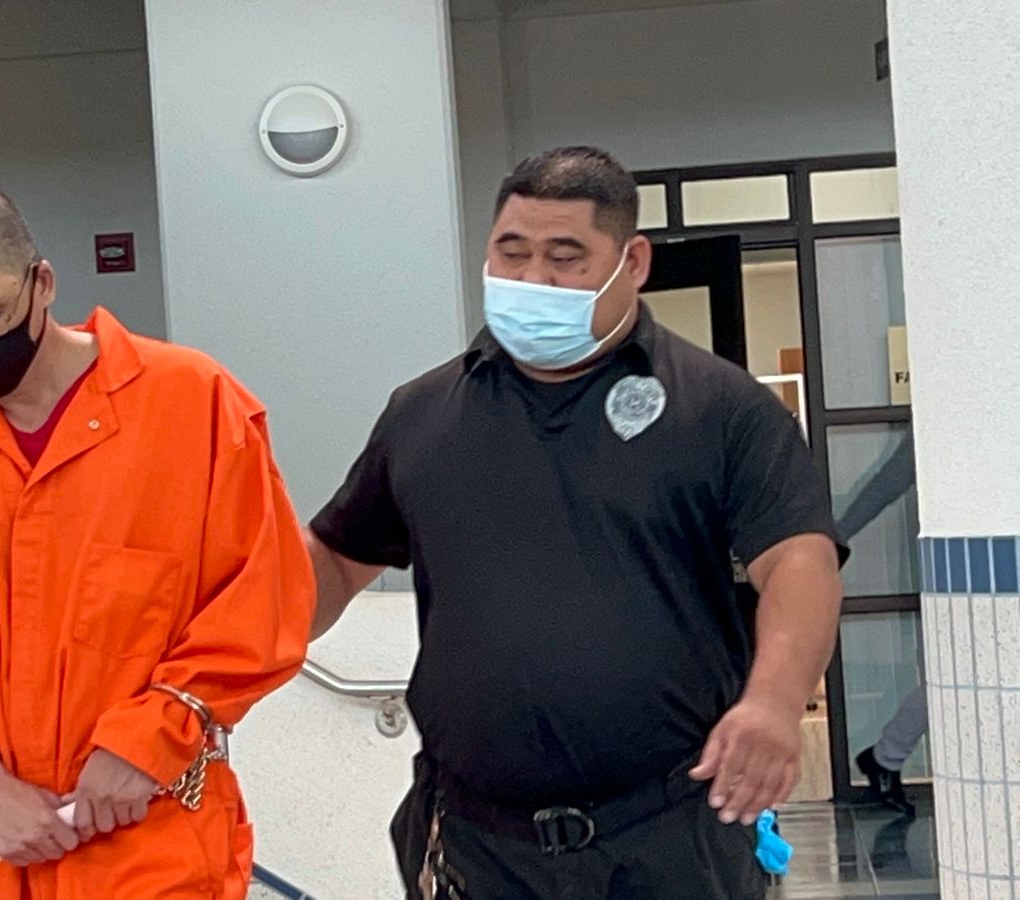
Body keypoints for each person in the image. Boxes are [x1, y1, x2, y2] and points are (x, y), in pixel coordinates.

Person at [308, 147, 847, 900]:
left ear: (633, 261)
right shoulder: (424, 415)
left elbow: (798, 560)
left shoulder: (719, 410)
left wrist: (775, 700)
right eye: (512, 252)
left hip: (669, 837)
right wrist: (218, 652)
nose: (533, 280)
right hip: (477, 843)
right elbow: (334, 559)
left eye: (565, 258)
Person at [0, 186, 313, 899]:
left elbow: (262, 599)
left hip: (152, 836)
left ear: (42, 283)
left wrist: (153, 735)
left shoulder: (191, 401)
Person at [836, 433, 922, 816]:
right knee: (947, 682)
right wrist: (835, 538)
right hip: (957, 574)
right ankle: (886, 757)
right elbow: (886, 483)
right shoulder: (938, 424)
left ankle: (885, 757)